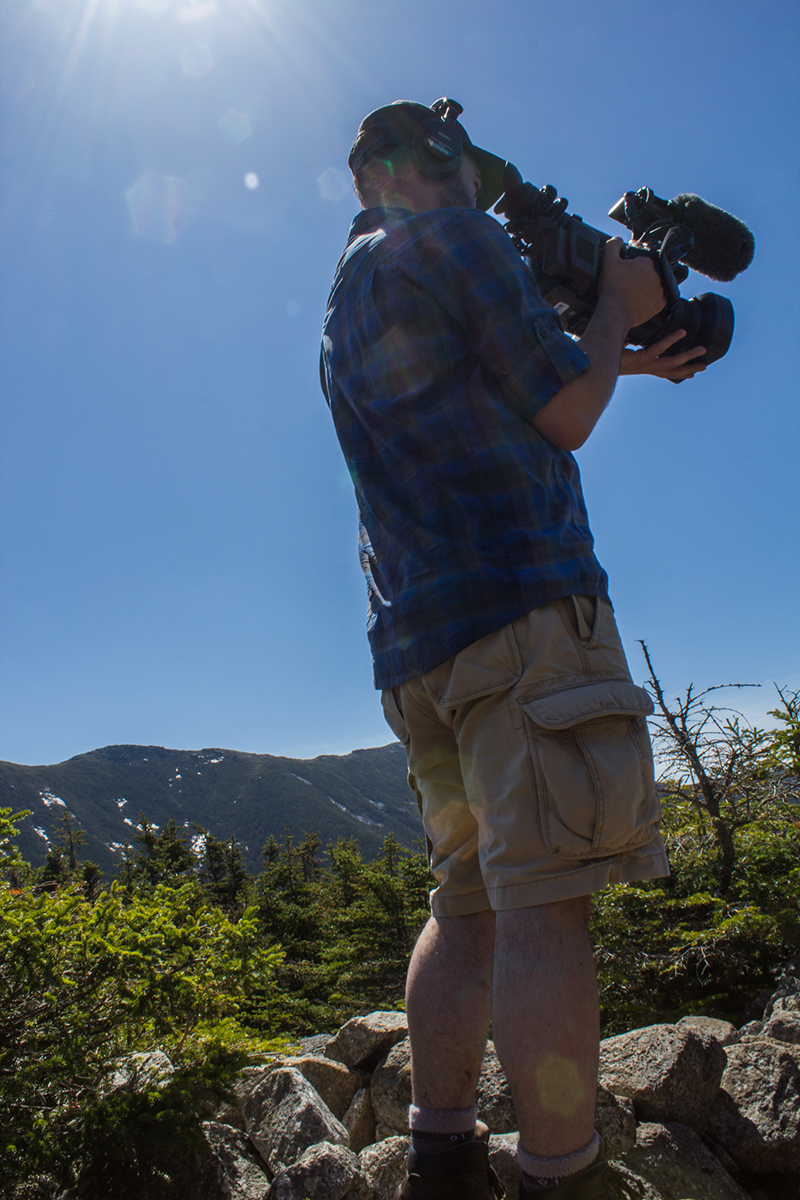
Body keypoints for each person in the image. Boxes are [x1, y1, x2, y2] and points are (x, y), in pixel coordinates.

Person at [320, 98, 706, 1200]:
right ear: (435, 166)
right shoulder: (460, 239)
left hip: (419, 647)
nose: (478, 189)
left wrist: (619, 357)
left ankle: (441, 1159)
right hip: (525, 615)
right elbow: (565, 414)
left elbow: (481, 386)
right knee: (544, 904)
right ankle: (561, 1176)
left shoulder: (351, 291)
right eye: (463, 168)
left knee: (466, 906)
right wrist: (618, 308)